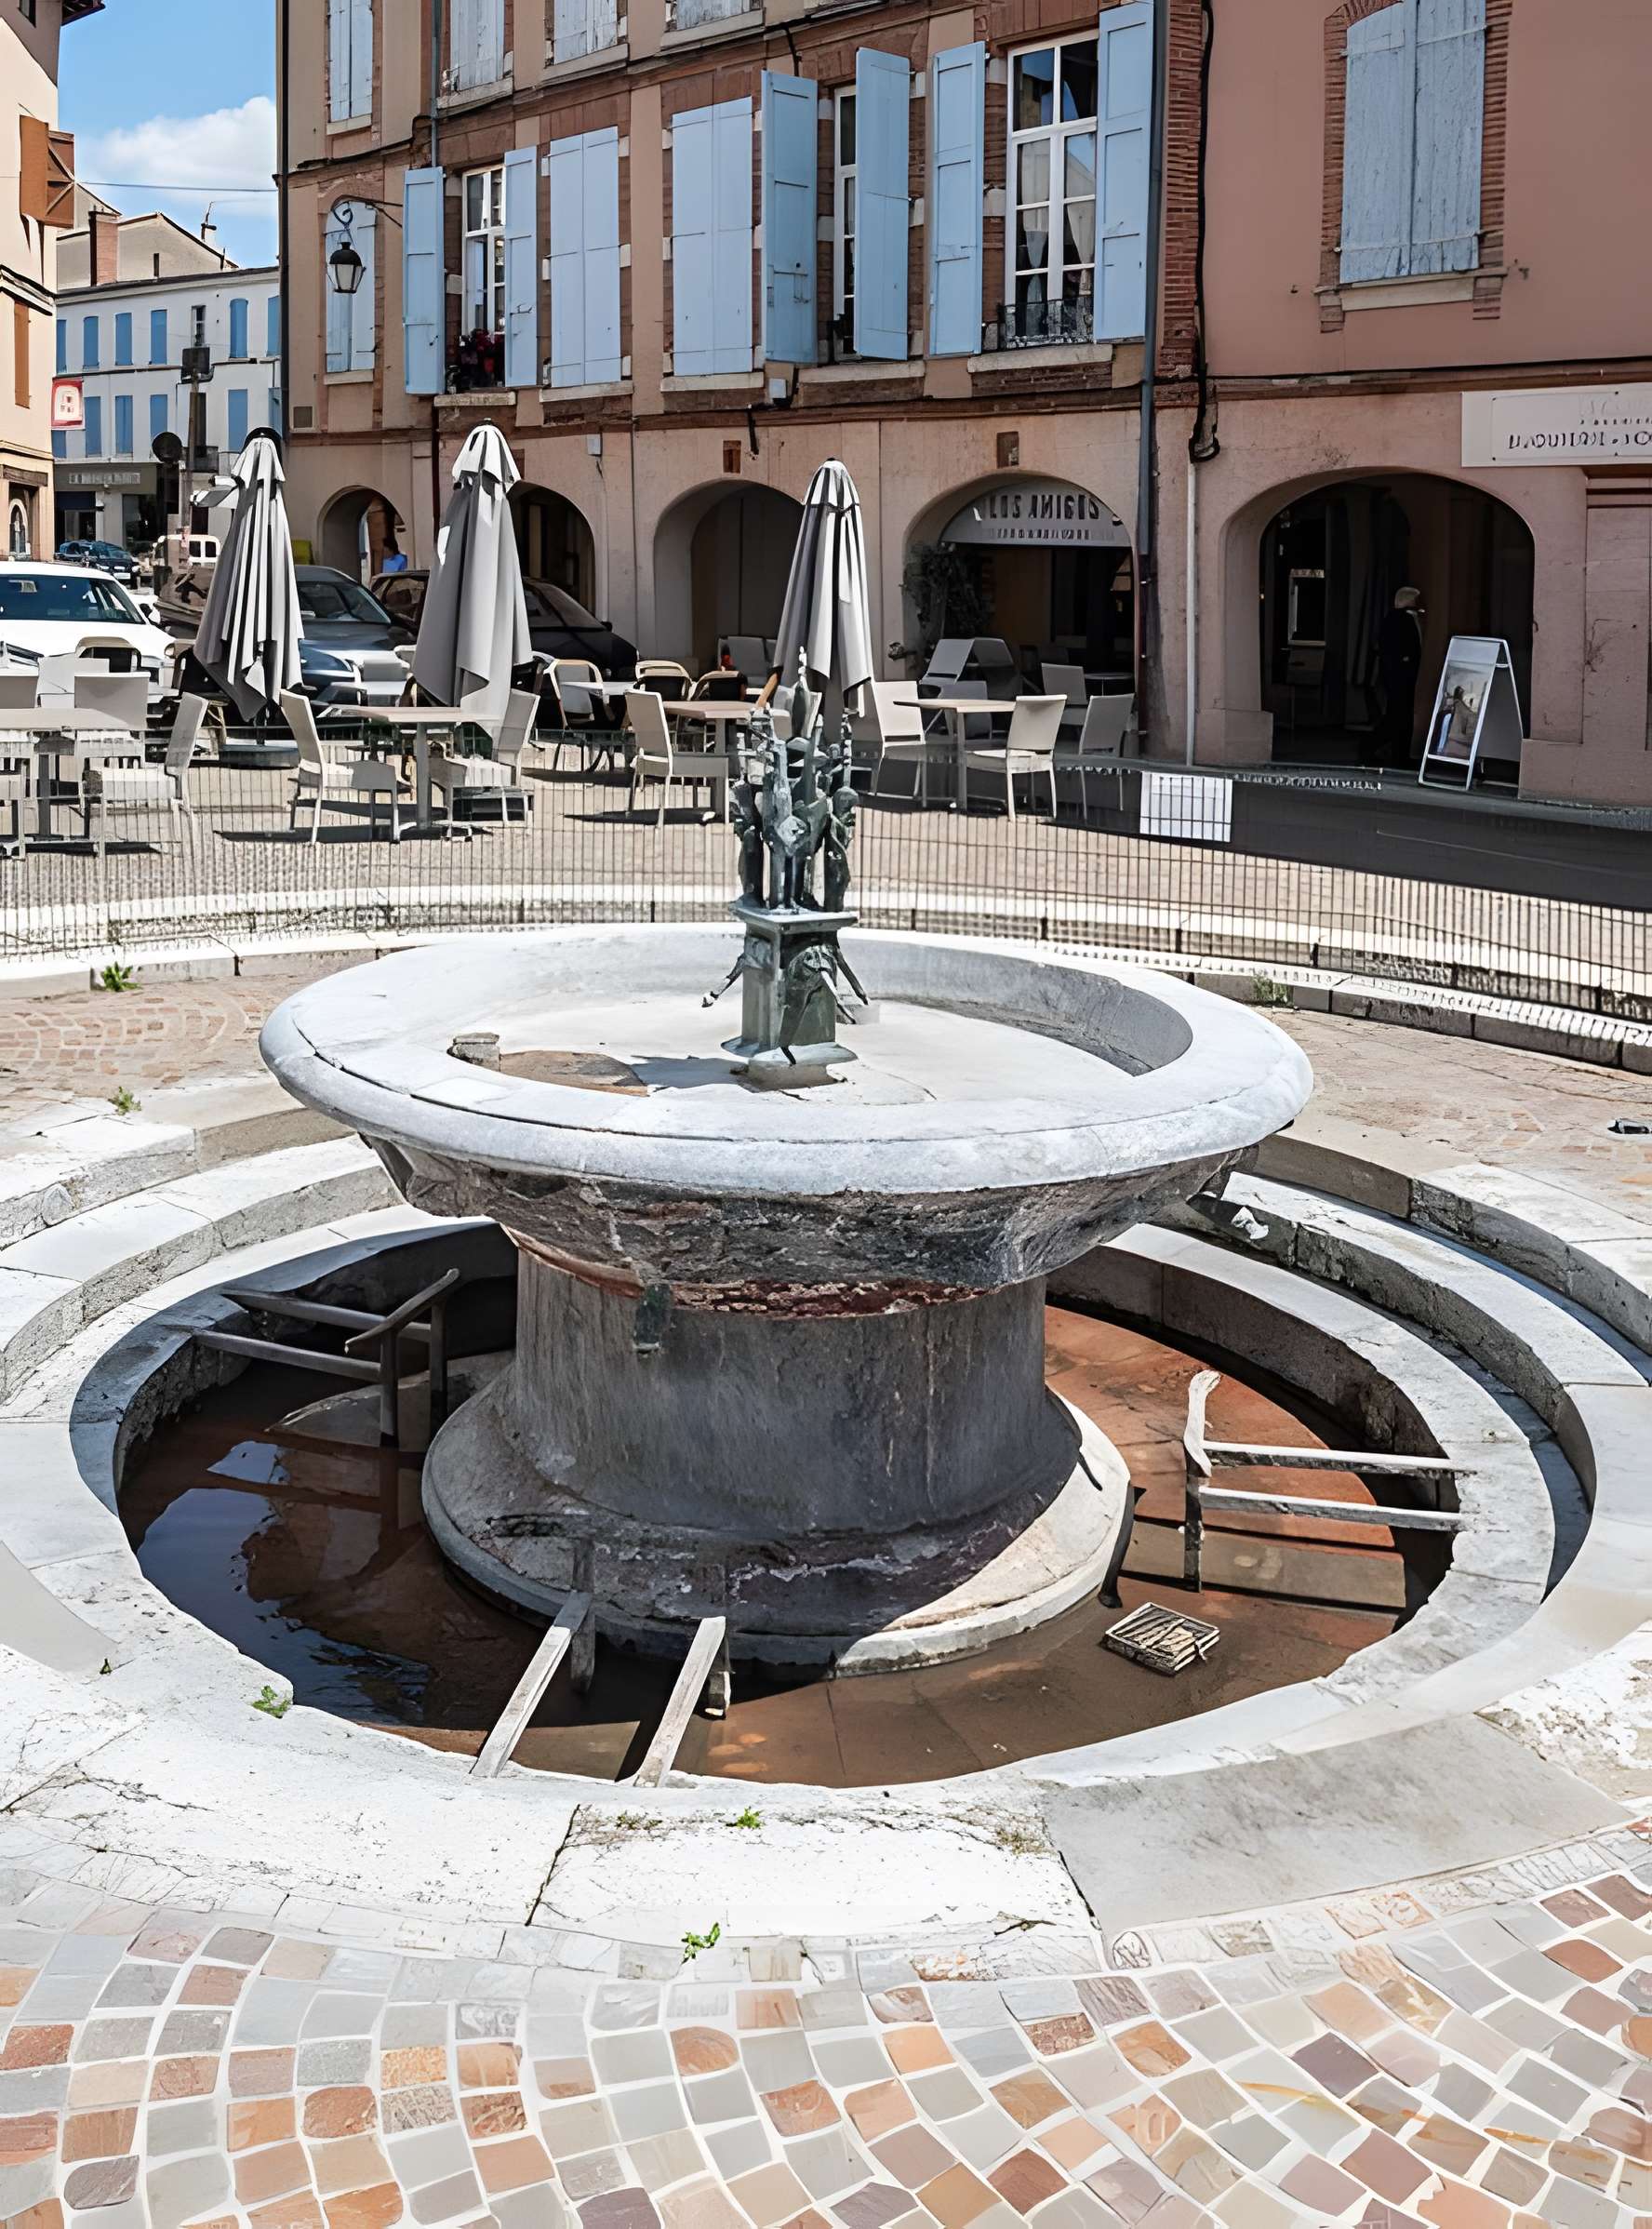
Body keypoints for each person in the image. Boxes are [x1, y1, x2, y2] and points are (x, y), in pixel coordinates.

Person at [1374, 585, 1425, 769]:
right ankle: (1378, 750)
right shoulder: (1400, 619)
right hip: (1399, 677)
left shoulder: (1400, 618)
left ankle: (1400, 756)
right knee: (1397, 716)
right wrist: (1404, 661)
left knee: (1401, 716)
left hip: (1401, 676)